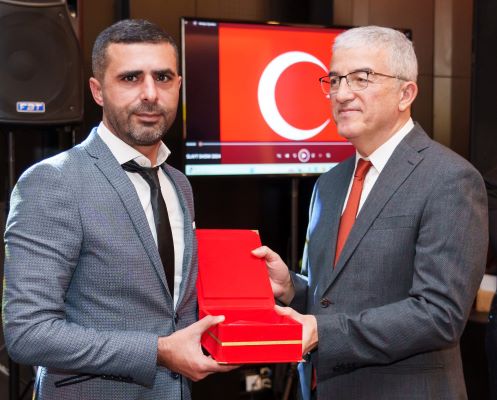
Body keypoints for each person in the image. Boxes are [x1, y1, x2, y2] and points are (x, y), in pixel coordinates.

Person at [2, 19, 233, 400]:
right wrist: (158, 351)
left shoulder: (179, 184)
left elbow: (171, 307)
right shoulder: (53, 181)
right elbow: (28, 333)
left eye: (162, 77)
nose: (150, 94)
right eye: (130, 78)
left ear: (178, 85)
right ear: (98, 91)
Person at [253, 25, 488, 399]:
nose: (342, 93)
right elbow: (335, 297)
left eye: (361, 78)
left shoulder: (450, 178)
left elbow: (439, 315)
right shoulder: (329, 184)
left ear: (405, 93)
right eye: (334, 80)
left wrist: (323, 333)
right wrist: (291, 287)